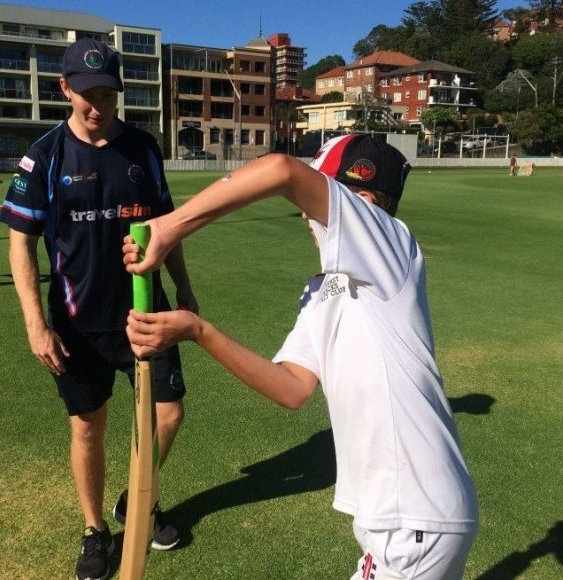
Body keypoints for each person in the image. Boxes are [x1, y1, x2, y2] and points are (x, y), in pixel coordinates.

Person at [122, 135, 479, 580]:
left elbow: (283, 172)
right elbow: (290, 388)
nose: (306, 217)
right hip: (394, 517)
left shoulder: (392, 245)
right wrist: (198, 331)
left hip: (414, 514)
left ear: (361, 202)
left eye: (318, 197)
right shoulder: (321, 291)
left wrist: (169, 227)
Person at [0, 38, 198, 580]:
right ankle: (95, 530)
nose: (96, 106)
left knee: (168, 414)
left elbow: (167, 228)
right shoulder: (44, 155)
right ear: (65, 87)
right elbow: (21, 242)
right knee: (89, 426)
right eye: (86, 94)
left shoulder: (143, 148)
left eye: (107, 94)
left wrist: (184, 290)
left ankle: (137, 500)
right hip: (76, 322)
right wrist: (36, 325)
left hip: (145, 313)